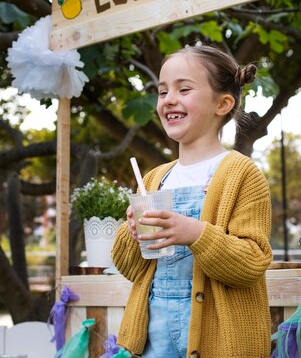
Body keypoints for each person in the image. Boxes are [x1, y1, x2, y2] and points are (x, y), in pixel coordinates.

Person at [111, 45, 272, 358]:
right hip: (153, 344)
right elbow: (131, 269)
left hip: (222, 345)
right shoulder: (153, 179)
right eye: (162, 91)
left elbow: (253, 262)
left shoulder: (241, 174)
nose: (169, 98)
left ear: (223, 104)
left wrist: (196, 234)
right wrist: (131, 233)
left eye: (183, 89)